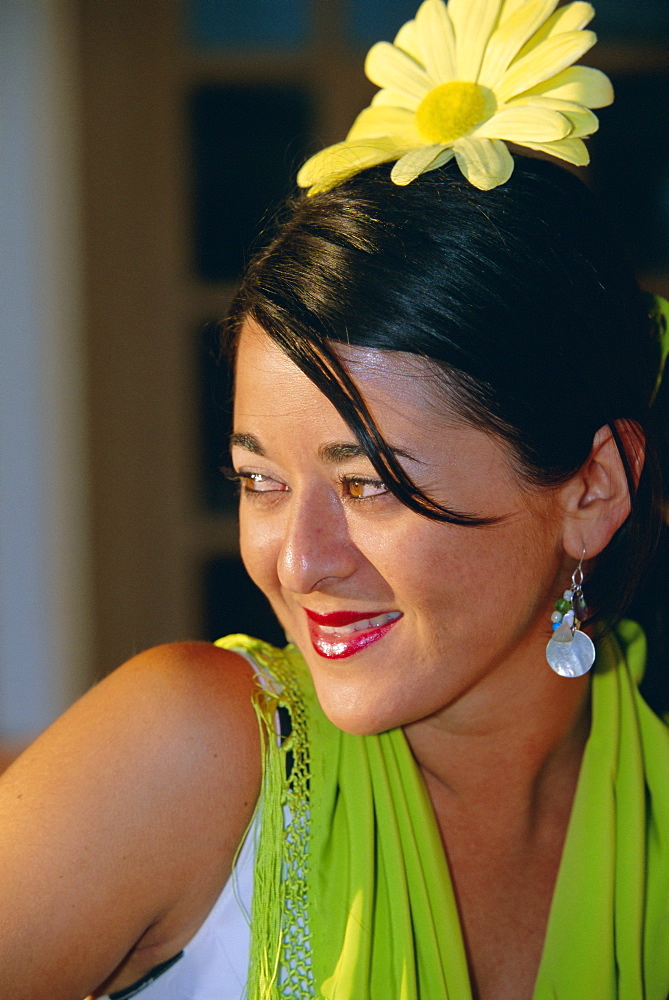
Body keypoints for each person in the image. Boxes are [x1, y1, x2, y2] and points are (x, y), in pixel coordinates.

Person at [1, 1, 668, 998]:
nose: (299, 558)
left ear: (592, 490)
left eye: (371, 483)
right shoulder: (187, 753)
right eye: (259, 480)